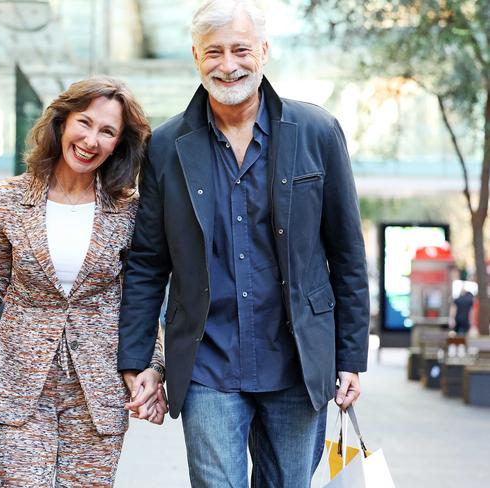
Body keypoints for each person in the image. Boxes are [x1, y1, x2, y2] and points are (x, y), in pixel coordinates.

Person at [117, 1, 370, 486]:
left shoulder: (317, 131)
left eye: (240, 49)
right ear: (196, 57)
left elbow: (347, 254)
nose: (228, 65)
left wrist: (350, 355)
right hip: (208, 360)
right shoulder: (168, 145)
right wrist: (138, 360)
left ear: (264, 52)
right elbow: (149, 262)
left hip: (298, 360)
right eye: (214, 52)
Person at [0, 77, 167, 487]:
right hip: (20, 386)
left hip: (99, 388)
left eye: (107, 131)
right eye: (84, 123)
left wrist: (154, 367)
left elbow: (141, 297)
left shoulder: (131, 210)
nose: (91, 140)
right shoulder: (7, 200)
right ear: (62, 121)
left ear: (119, 143)